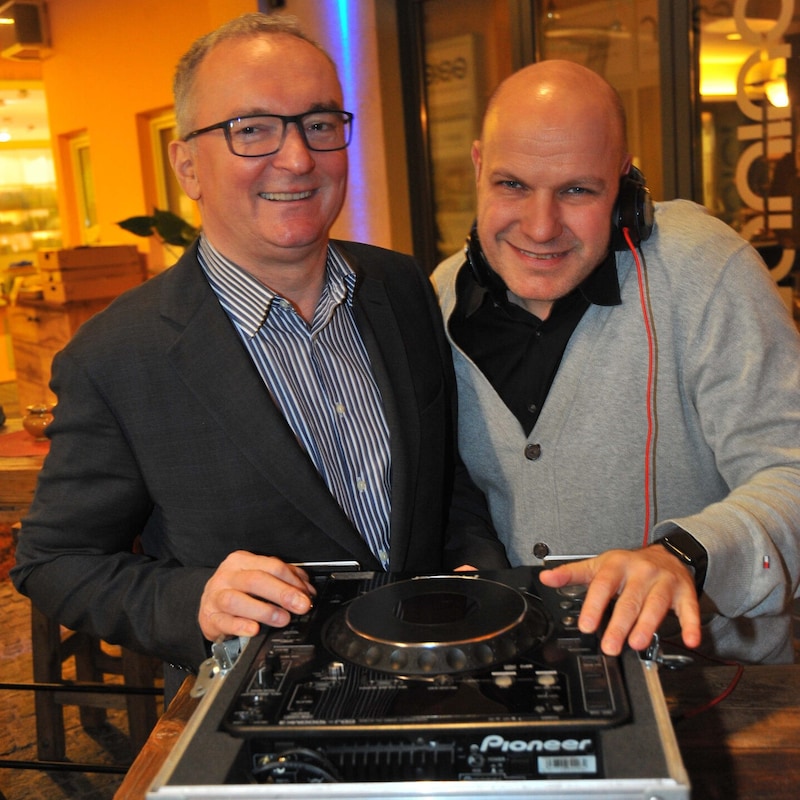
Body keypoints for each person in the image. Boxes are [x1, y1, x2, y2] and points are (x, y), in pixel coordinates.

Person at [12, 13, 507, 702]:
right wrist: (195, 601)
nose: (298, 158)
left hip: (431, 671)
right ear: (188, 165)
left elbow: (444, 481)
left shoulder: (401, 289)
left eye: (320, 123)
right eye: (252, 130)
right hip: (263, 702)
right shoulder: (118, 356)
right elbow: (55, 561)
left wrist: (474, 573)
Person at [432, 60, 800, 665]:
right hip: (521, 681)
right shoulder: (443, 293)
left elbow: (788, 472)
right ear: (478, 168)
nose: (541, 225)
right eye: (512, 185)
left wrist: (683, 558)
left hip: (714, 691)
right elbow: (461, 490)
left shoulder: (704, 271)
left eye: (578, 189)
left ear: (626, 187)